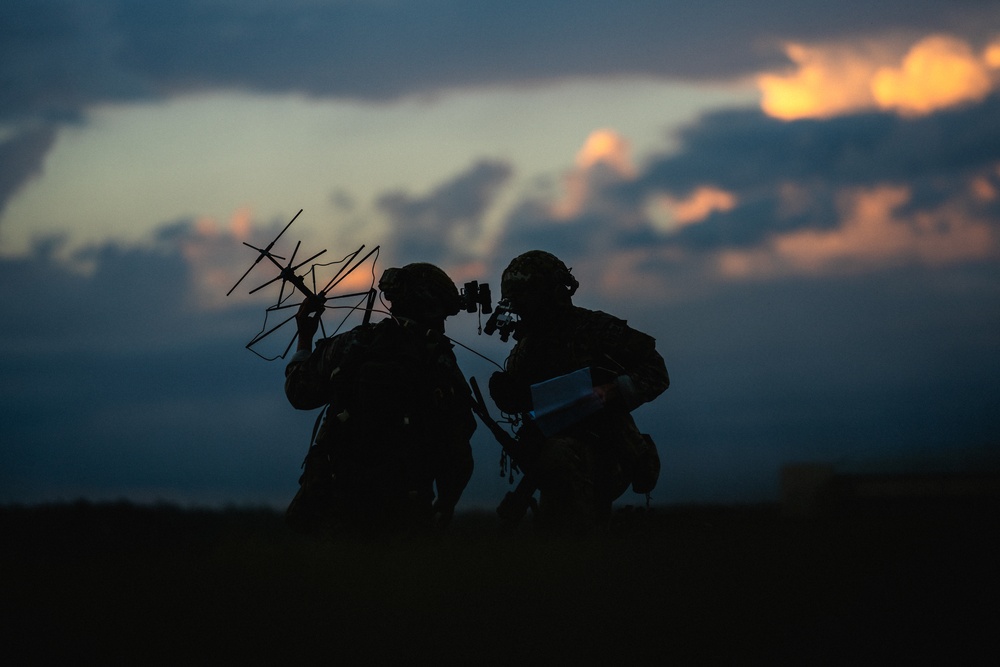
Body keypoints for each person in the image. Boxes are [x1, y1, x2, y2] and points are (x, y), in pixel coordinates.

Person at [284, 263, 476, 535]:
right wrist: (445, 506)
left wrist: (305, 338)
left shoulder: (353, 345)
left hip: (332, 508)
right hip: (405, 514)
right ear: (436, 309)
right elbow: (459, 448)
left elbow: (299, 394)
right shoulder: (439, 361)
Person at [487, 250, 669, 532]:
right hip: (556, 455)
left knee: (572, 518)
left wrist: (611, 391)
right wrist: (510, 397)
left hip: (607, 446)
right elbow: (529, 401)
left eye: (527, 295)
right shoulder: (527, 347)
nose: (520, 307)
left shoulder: (595, 329)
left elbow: (656, 372)